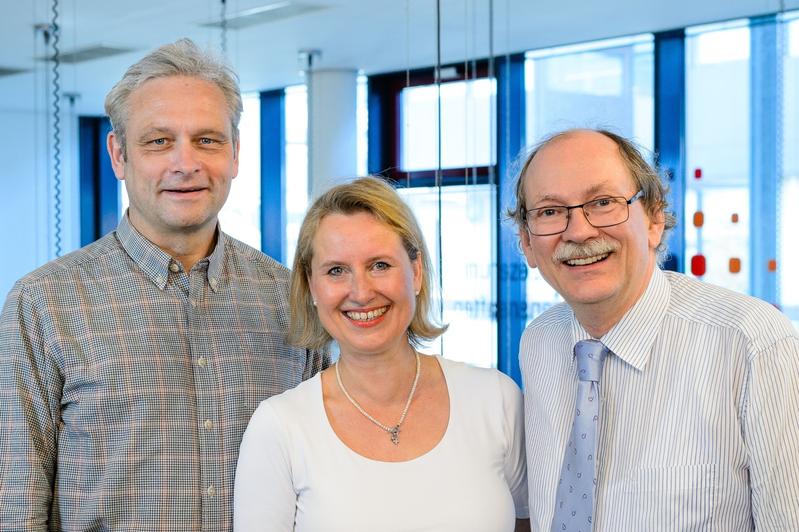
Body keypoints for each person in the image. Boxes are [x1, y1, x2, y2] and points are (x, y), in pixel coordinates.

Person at [0, 38, 327, 530]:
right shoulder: (43, 305)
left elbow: (317, 481)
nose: (185, 163)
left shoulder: (291, 299)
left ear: (236, 154)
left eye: (207, 140)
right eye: (158, 141)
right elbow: (15, 500)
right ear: (118, 156)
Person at [508, 128, 799, 531]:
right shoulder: (538, 343)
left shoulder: (752, 344)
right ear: (526, 242)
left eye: (604, 202)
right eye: (550, 211)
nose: (578, 231)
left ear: (654, 218)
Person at [234, 176, 530, 531]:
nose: (360, 292)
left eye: (379, 265)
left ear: (416, 272)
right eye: (336, 271)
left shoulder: (495, 399)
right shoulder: (279, 427)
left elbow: (531, 521)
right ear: (312, 286)